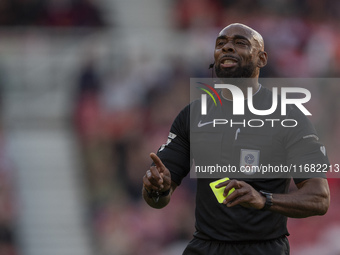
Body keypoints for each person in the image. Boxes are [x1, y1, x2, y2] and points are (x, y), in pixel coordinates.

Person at [142, 23, 330, 255]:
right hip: (206, 246)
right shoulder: (192, 115)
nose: (227, 48)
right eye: (221, 44)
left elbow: (320, 198)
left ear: (261, 58)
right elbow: (159, 199)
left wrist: (264, 199)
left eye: (239, 43)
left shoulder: (289, 117)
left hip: (264, 249)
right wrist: (156, 189)